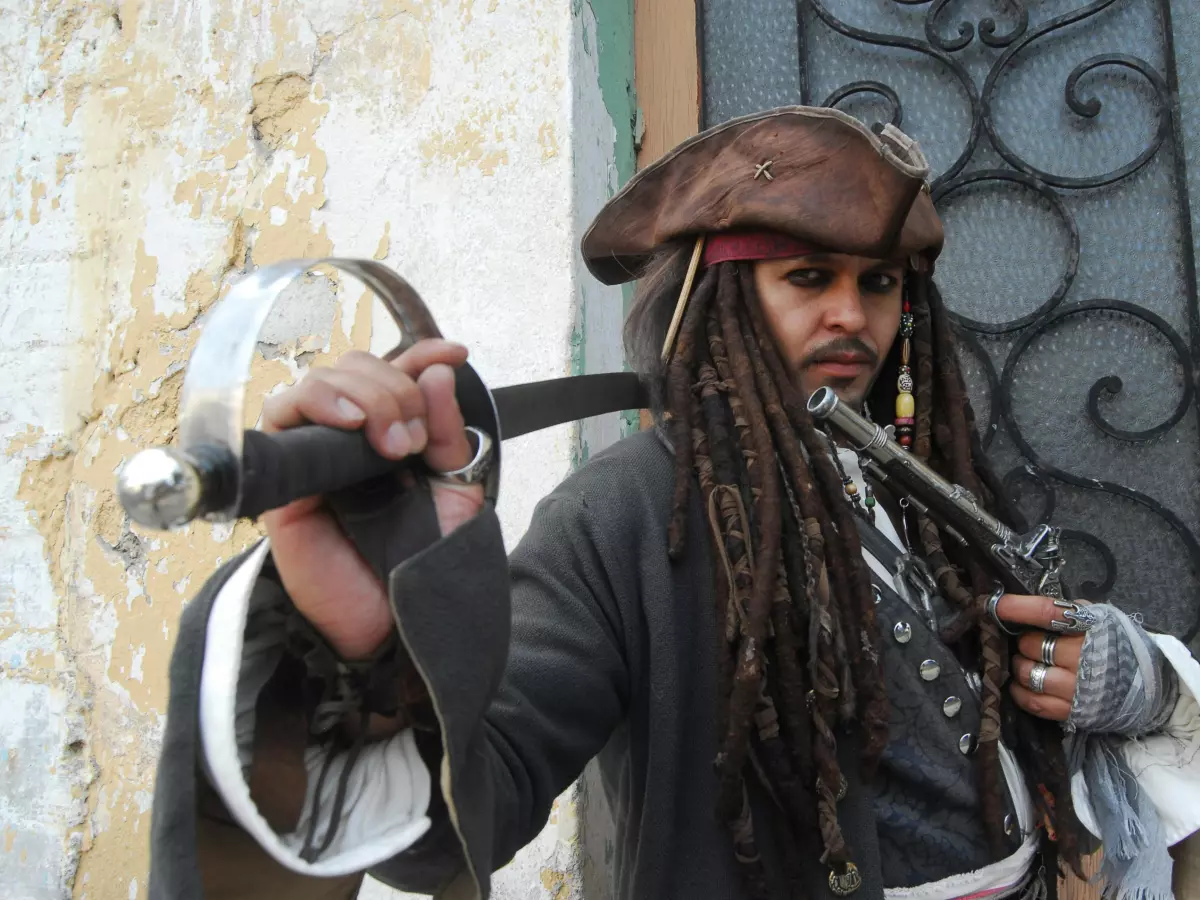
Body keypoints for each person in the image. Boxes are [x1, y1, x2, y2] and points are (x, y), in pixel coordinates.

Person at [147, 108, 1200, 900]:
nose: (853, 315)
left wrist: (1140, 680)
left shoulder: (925, 482)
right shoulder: (625, 515)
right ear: (721, 299)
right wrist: (360, 656)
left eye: (879, 284)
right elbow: (465, 810)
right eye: (808, 276)